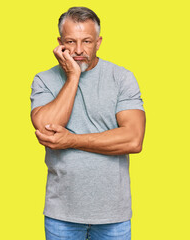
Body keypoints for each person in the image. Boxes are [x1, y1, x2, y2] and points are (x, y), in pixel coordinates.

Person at [30, 6, 146, 240]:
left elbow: (133, 139)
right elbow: (47, 130)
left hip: (113, 215)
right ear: (60, 42)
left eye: (87, 41)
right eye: (71, 42)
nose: (79, 50)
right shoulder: (44, 79)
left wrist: (71, 140)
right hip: (62, 214)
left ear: (99, 42)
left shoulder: (121, 78)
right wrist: (73, 77)